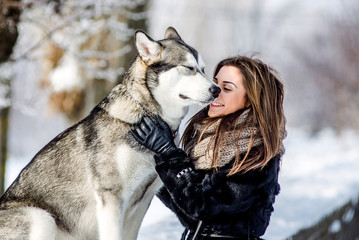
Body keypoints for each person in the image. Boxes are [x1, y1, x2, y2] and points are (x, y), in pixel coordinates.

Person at [131, 55, 286, 240]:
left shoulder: (255, 152)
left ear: (251, 100)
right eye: (214, 83)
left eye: (227, 88)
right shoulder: (208, 142)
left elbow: (202, 205)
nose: (214, 91)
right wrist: (153, 160)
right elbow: (187, 210)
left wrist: (169, 155)